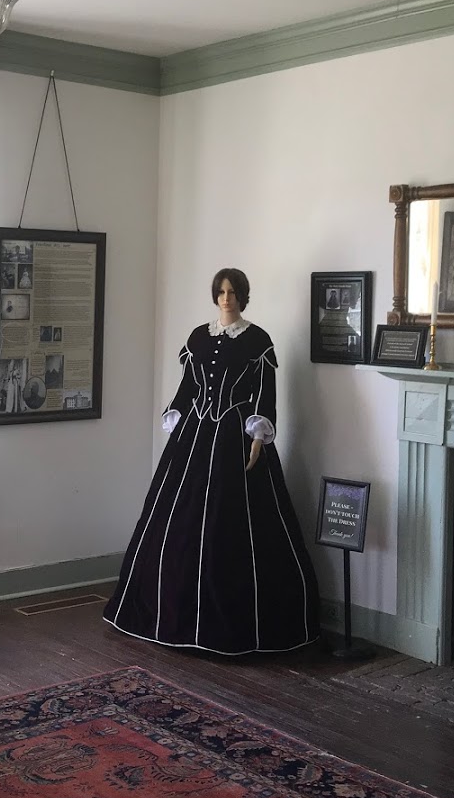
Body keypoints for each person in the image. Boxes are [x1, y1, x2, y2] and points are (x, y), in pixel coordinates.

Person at [104, 268, 321, 654]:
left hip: (236, 438)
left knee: (235, 526)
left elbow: (264, 394)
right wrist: (176, 422)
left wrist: (258, 436)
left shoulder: (257, 340)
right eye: (221, 291)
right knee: (176, 524)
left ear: (242, 296)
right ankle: (171, 614)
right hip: (195, 435)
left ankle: (234, 623)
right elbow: (188, 387)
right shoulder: (198, 338)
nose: (226, 298)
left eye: (232, 291)